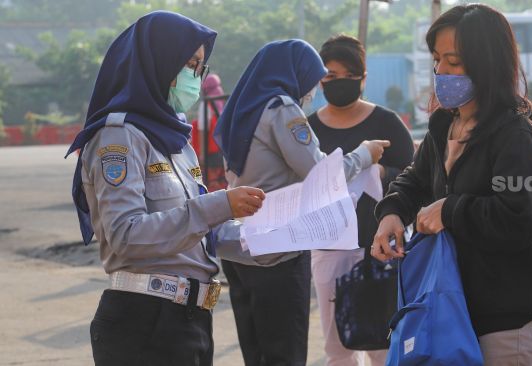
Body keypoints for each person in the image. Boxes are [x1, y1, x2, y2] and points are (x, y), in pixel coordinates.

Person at [65, 11, 265, 366]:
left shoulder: (175, 139)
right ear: (157, 61)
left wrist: (277, 238)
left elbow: (202, 234)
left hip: (191, 319)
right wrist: (219, 205)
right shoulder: (120, 137)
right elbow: (125, 234)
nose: (196, 78)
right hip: (144, 322)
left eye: (201, 68)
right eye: (189, 64)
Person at [371, 4, 532, 366]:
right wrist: (393, 211)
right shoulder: (445, 125)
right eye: (438, 59)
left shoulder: (517, 137)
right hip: (449, 307)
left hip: (506, 322)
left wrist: (450, 209)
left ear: (485, 62)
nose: (441, 70)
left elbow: (521, 218)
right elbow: (415, 178)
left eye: (453, 61)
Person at [214, 39, 389, 366]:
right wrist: (363, 156)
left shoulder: (241, 109)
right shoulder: (281, 108)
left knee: (257, 353)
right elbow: (318, 172)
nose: (313, 92)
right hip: (279, 251)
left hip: (241, 248)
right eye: (313, 81)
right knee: (285, 353)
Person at [308, 34, 414, 366]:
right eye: (330, 76)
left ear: (363, 78)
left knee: (383, 344)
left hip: (379, 247)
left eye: (347, 76)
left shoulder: (386, 123)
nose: (338, 83)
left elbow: (414, 178)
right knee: (337, 346)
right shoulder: (308, 130)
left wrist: (380, 173)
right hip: (328, 248)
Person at [198, 73, 228, 191]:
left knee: (212, 187)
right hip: (223, 154)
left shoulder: (206, 105)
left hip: (210, 156)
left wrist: (202, 155)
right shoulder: (223, 102)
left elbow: (202, 131)